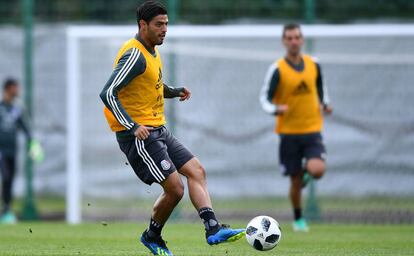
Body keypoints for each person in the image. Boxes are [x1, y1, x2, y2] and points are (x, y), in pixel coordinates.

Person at [99, 1, 244, 255]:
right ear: (143, 25)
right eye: (159, 25)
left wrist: (172, 91)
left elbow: (148, 85)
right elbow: (108, 93)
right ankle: (152, 237)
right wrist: (132, 126)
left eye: (166, 24)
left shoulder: (152, 51)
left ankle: (213, 229)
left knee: (197, 171)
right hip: (139, 136)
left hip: (158, 129)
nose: (165, 29)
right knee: (175, 188)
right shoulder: (134, 54)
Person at [260, 24, 332, 232]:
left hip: (312, 129)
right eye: (289, 38)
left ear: (302, 40)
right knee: (294, 181)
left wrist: (325, 103)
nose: (293, 41)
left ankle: (307, 172)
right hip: (288, 133)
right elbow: (264, 98)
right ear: (284, 41)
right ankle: (299, 218)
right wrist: (275, 109)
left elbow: (320, 88)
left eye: (297, 37)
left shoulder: (314, 64)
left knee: (317, 169)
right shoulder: (277, 69)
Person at [0, 78, 43, 224]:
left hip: (12, 151)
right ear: (7, 89)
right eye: (14, 88)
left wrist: (33, 144)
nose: (17, 91)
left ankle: (6, 210)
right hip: (1, 151)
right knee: (5, 177)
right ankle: (6, 209)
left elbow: (26, 128)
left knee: (9, 179)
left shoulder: (16, 109)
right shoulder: (1, 107)